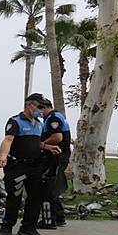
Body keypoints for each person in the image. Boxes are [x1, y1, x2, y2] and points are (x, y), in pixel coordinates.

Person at [0, 93, 60, 235]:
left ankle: (28, 228)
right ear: (29, 105)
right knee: (14, 197)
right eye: (39, 106)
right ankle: (6, 226)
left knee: (35, 197)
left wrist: (47, 147)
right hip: (17, 166)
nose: (42, 110)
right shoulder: (15, 121)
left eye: (43, 107)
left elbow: (36, 143)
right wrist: (3, 156)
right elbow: (8, 140)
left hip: (35, 167)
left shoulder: (39, 124)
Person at [37, 98, 71, 228]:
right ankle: (59, 216)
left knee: (46, 187)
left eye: (39, 109)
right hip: (57, 156)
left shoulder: (53, 118)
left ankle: (48, 220)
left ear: (44, 108)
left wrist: (41, 145)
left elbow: (57, 137)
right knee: (53, 186)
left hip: (56, 156)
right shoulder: (54, 117)